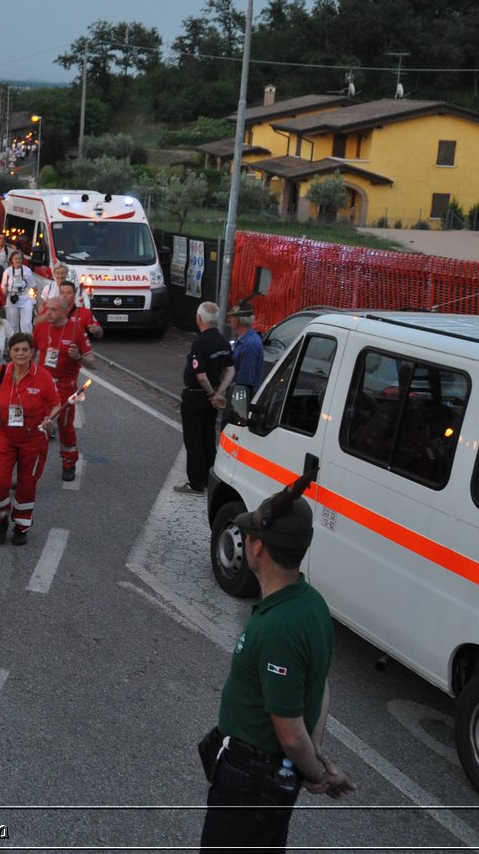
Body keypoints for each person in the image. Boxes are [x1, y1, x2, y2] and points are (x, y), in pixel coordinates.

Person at [199, 471, 354, 851]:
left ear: (257, 548)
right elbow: (320, 686)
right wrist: (312, 756)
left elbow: (288, 732)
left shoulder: (280, 626)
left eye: (251, 533)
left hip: (250, 782)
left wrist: (315, 772)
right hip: (267, 779)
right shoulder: (311, 604)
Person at [0, 333, 61, 546]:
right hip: (5, 436)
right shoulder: (0, 373)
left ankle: (21, 526)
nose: (21, 354)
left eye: (25, 350)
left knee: (27, 486)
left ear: (32, 352)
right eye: (16, 350)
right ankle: (1, 521)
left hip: (33, 439)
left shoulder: (43, 377)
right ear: (10, 352)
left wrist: (49, 419)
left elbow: (56, 404)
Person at [31, 294, 98, 482]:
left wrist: (78, 357)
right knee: (36, 425)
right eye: (47, 309)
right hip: (42, 386)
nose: (48, 313)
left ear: (64, 311)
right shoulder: (41, 328)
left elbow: (93, 362)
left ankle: (68, 462)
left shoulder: (76, 331)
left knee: (65, 427)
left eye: (53, 310)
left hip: (64, 388)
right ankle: (29, 466)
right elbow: (30, 354)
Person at [176, 301, 235, 495]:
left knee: (193, 440)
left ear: (199, 318)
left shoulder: (200, 343)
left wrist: (211, 394)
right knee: (208, 437)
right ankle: (210, 478)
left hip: (196, 397)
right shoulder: (223, 341)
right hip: (212, 398)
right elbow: (230, 369)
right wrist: (219, 392)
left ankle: (195, 482)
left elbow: (200, 375)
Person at [229, 302, 266, 396]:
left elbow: (244, 382)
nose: (229, 320)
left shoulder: (249, 345)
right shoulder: (244, 339)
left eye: (232, 317)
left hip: (240, 401)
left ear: (237, 321)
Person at [2, 250, 40, 334]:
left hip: (25, 298)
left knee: (26, 323)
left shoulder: (27, 270)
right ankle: (13, 342)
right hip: (12, 299)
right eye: (16, 259)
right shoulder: (7, 271)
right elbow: (3, 286)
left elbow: (33, 286)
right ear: (12, 260)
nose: (18, 261)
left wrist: (33, 298)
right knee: (12, 324)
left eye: (19, 259)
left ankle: (27, 341)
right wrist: (5, 291)